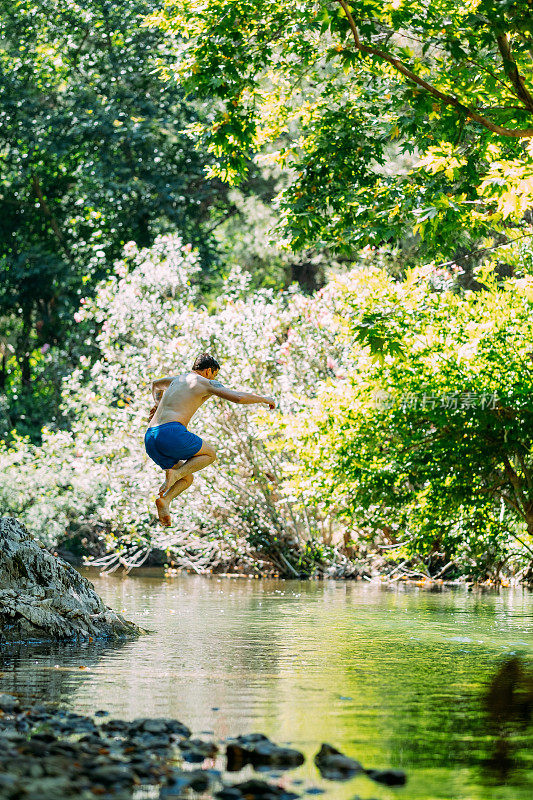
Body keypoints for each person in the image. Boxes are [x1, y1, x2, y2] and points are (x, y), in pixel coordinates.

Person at [144, 352, 276, 526]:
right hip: (170, 432)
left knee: (187, 479)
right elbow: (238, 397)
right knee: (210, 454)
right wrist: (264, 399)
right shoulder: (205, 382)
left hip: (150, 437)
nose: (214, 379)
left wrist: (156, 404)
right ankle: (175, 474)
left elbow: (155, 384)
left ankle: (165, 501)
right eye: (215, 374)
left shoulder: (178, 379)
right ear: (208, 371)